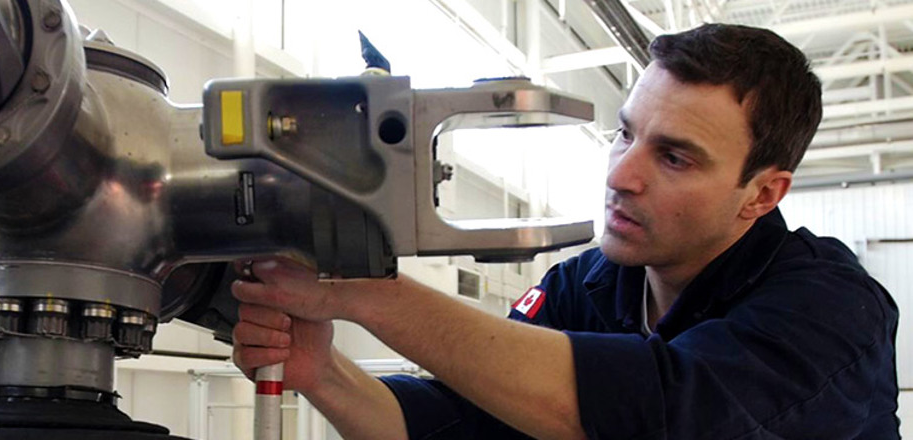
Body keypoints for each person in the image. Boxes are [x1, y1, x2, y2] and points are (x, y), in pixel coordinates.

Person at [231, 23, 899, 440]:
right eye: (626, 134)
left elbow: (659, 412)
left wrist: (367, 292)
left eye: (673, 157)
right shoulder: (589, 284)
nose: (621, 175)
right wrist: (324, 375)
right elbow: (452, 424)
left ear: (761, 194)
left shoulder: (830, 308)